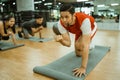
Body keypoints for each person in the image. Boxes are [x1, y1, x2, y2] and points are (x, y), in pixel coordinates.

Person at [54, 4, 97, 77]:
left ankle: (91, 44)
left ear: (73, 15)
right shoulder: (60, 24)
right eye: (62, 17)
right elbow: (68, 44)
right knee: (78, 54)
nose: (64, 20)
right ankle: (84, 41)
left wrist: (83, 67)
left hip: (91, 27)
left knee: (82, 46)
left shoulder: (84, 21)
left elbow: (85, 46)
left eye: (67, 17)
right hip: (79, 31)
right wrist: (61, 40)